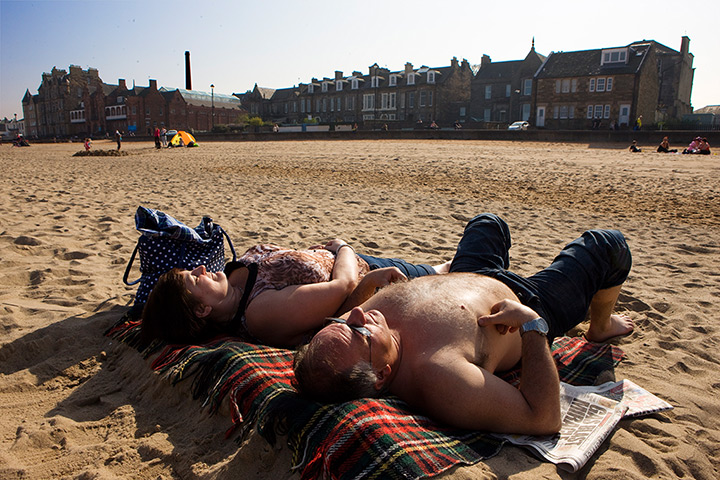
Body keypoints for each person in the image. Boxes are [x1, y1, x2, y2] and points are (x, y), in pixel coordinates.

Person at [294, 213, 634, 435]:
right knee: (608, 245)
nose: (355, 315)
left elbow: (345, 320)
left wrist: (367, 287)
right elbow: (543, 418)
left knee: (489, 223)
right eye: (357, 330)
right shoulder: (441, 375)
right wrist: (532, 326)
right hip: (529, 300)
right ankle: (600, 326)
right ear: (382, 374)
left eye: (338, 321)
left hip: (467, 272)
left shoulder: (345, 342)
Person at [141, 240, 451, 349]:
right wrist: (343, 247)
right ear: (201, 311)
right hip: (372, 275)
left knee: (447, 266)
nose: (200, 269)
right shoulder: (259, 312)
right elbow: (342, 288)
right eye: (194, 280)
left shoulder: (233, 283)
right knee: (459, 261)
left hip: (365, 264)